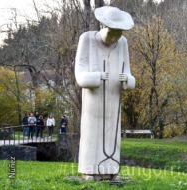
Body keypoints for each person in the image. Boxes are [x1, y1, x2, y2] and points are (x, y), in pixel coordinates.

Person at [75, 6, 135, 180]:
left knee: (112, 133)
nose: (115, 38)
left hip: (114, 99)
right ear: (103, 27)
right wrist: (97, 77)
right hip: (94, 100)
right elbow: (80, 74)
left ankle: (111, 170)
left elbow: (129, 72)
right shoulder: (87, 39)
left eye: (119, 33)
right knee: (92, 134)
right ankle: (90, 171)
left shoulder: (122, 43)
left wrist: (128, 80)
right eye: (112, 33)